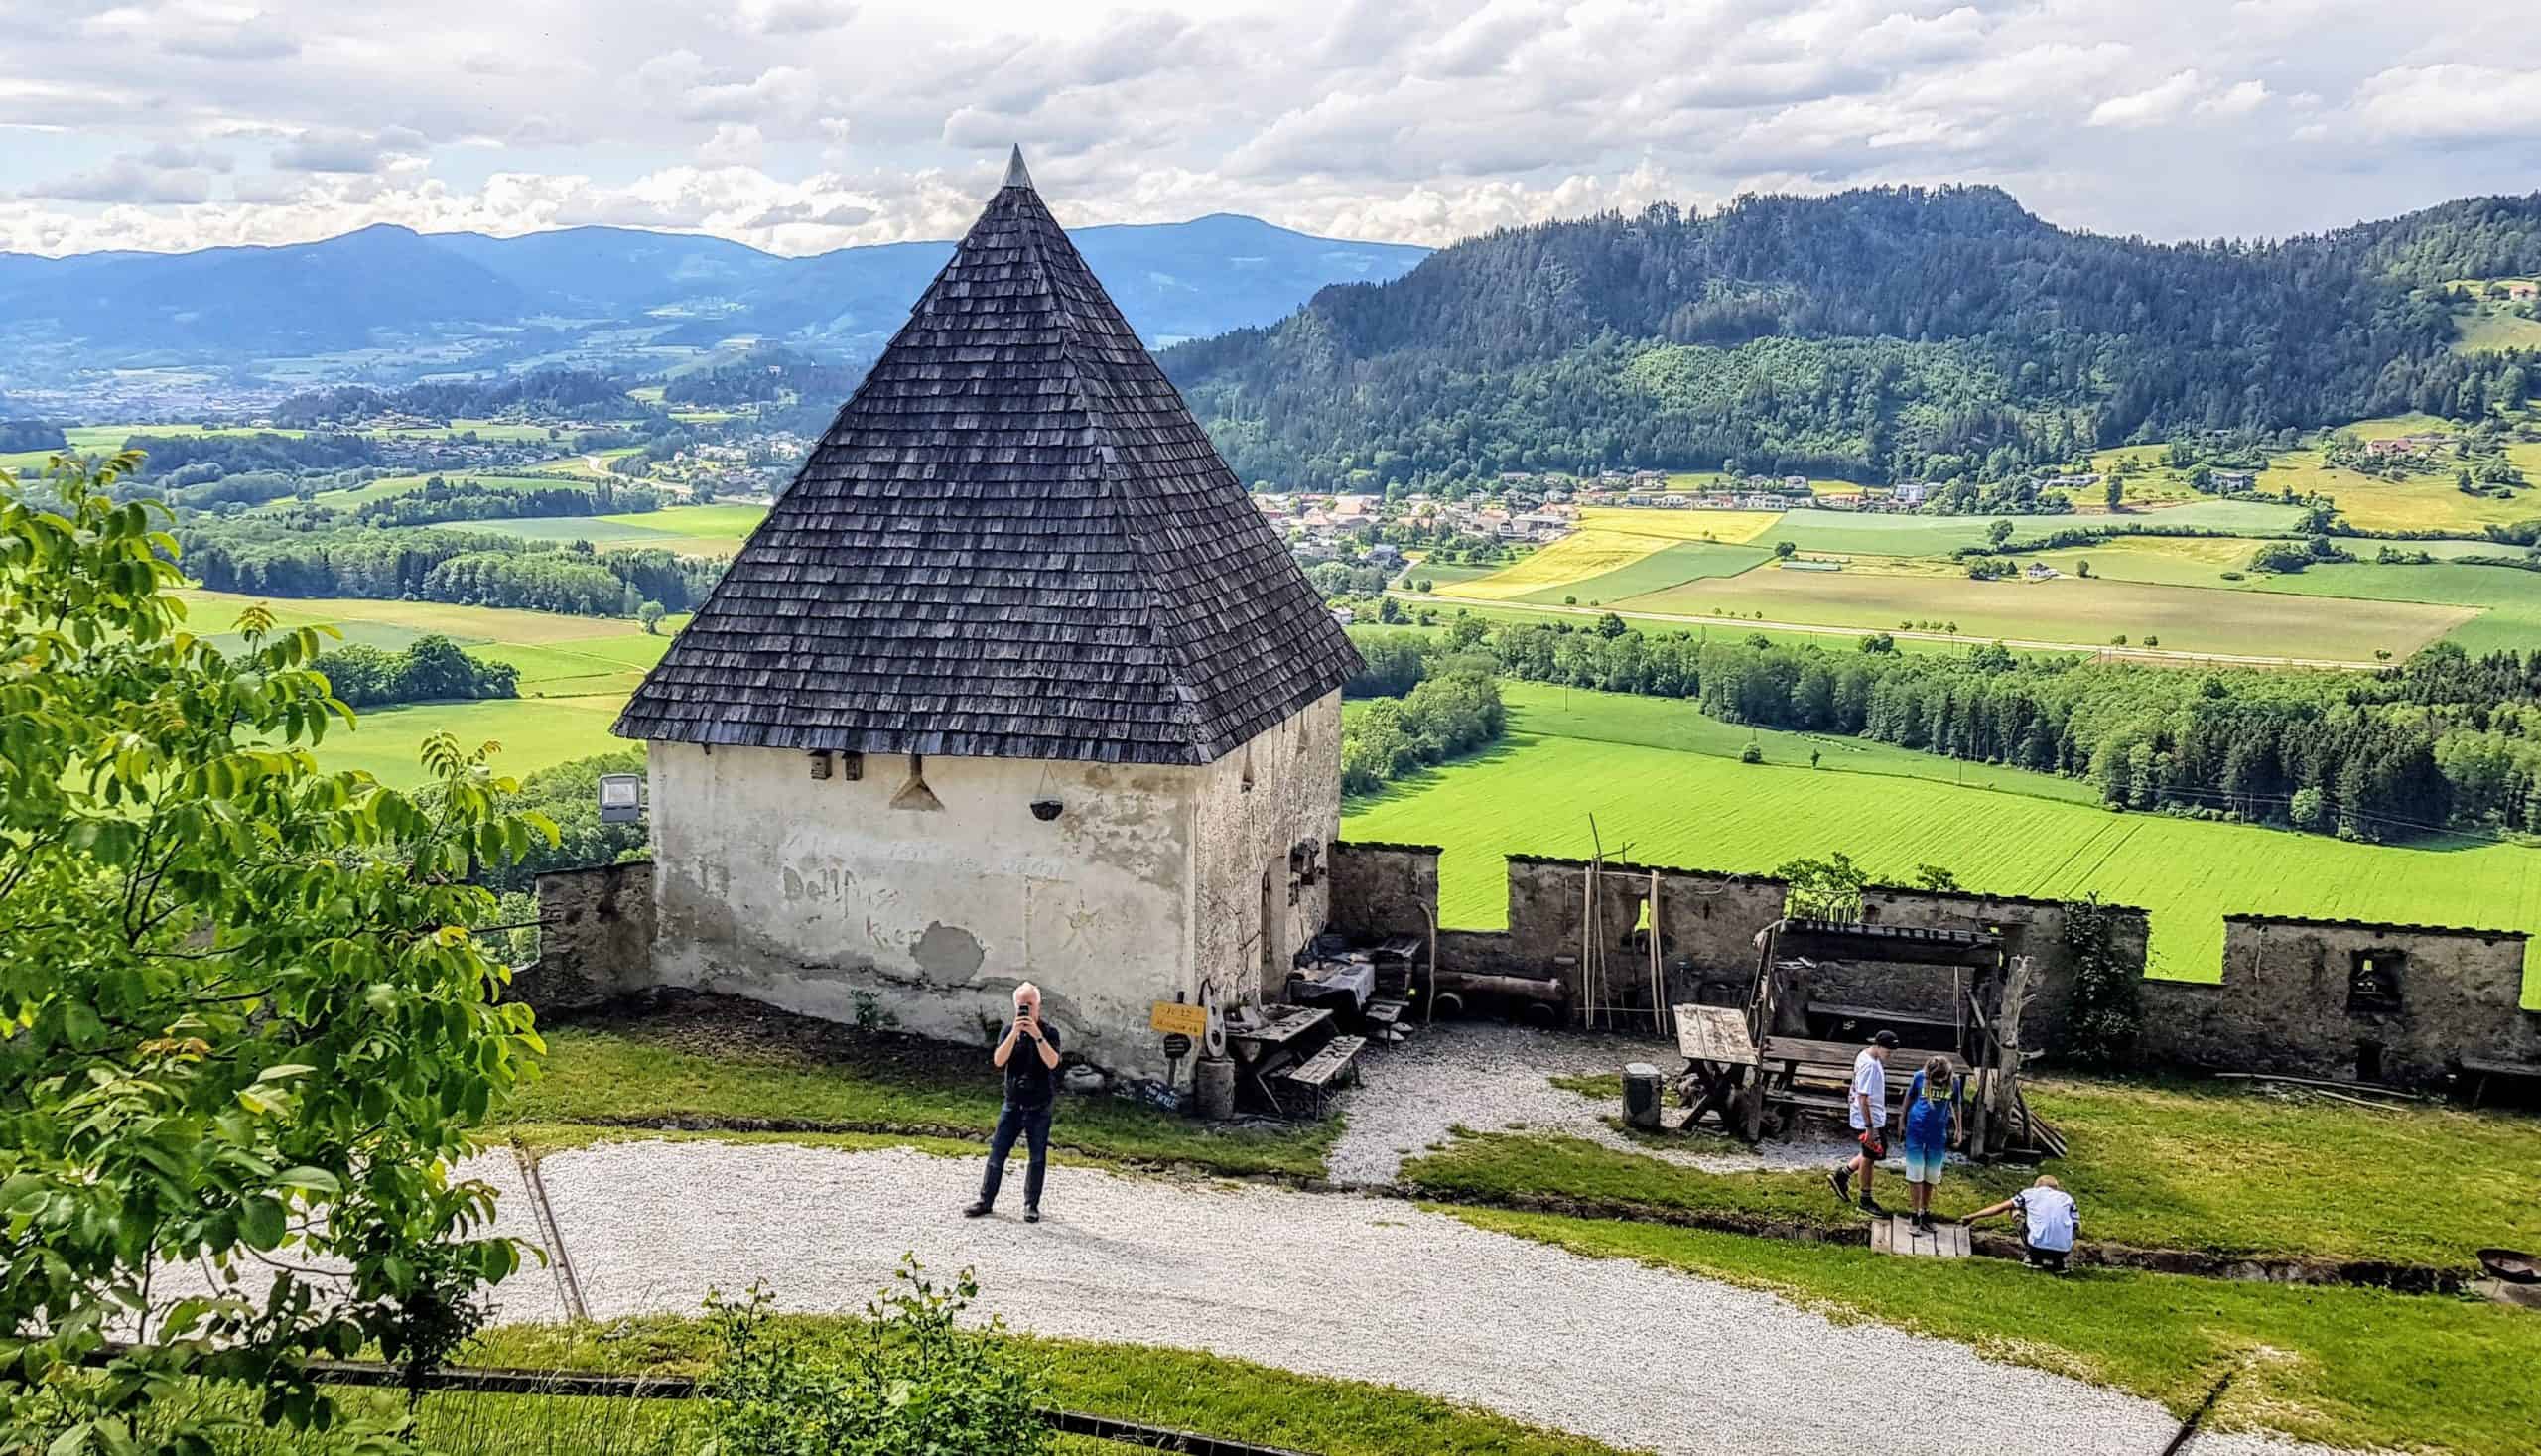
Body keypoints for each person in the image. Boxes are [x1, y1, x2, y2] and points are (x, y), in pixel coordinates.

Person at [964, 983, 1063, 1223]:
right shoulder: (1009, 1030)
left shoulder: (1050, 1033)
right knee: (997, 1153)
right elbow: (998, 1060)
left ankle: (1031, 1204)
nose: (1026, 1010)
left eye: (1030, 1005)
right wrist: (1014, 1035)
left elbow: (1053, 1063)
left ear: (1038, 1006)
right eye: (1022, 1006)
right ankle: (985, 1200)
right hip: (1013, 1104)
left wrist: (1037, 1036)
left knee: (1037, 1157)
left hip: (1039, 1105)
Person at [1828, 1030, 1898, 1215]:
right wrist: (1870, 1128)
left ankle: (1842, 1175)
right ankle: (1865, 1200)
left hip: (1874, 1116)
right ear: (1878, 1046)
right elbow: (1863, 1097)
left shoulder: (1866, 1055)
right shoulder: (1870, 1066)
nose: (1889, 1055)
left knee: (1874, 1152)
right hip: (1869, 1118)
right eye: (1888, 1051)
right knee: (1870, 1156)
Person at [1965, 1175, 2079, 1270]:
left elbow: (2000, 1208)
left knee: (2013, 1208)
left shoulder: (2029, 1193)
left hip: (2036, 1247)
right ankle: (2058, 1264)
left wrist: (1973, 1216)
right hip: (2063, 1250)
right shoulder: (2068, 1199)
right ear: (2056, 1188)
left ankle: (2033, 1259)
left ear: (2037, 1185)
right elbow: (2076, 1226)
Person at [1899, 1054, 1956, 1232]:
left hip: (1937, 1135)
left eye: (1943, 1077)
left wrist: (1959, 1129)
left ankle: (1925, 1211)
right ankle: (1915, 1214)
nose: (1940, 1080)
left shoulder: (1954, 1083)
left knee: (1930, 1175)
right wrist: (1901, 1120)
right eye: (1936, 1077)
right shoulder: (1919, 1078)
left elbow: (1958, 1104)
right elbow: (1908, 1098)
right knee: (1915, 1173)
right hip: (1916, 1131)